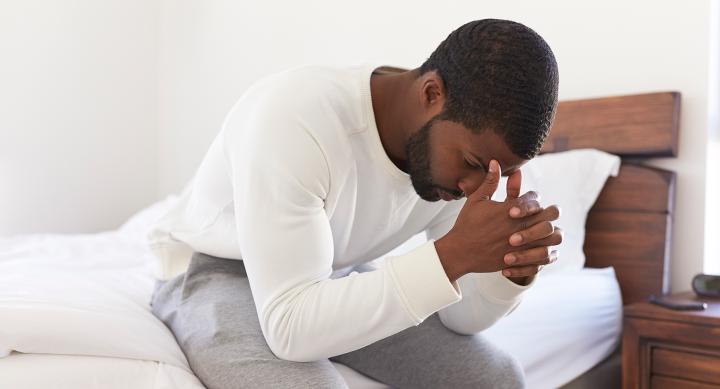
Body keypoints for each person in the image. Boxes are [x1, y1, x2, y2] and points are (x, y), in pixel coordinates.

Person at [149, 18, 561, 389]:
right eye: (472, 164)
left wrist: (509, 274)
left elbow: (460, 319)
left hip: (330, 274)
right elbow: (291, 327)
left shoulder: (459, 167)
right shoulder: (296, 117)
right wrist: (451, 256)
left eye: (497, 173)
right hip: (215, 269)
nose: (476, 188)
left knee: (498, 380)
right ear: (432, 93)